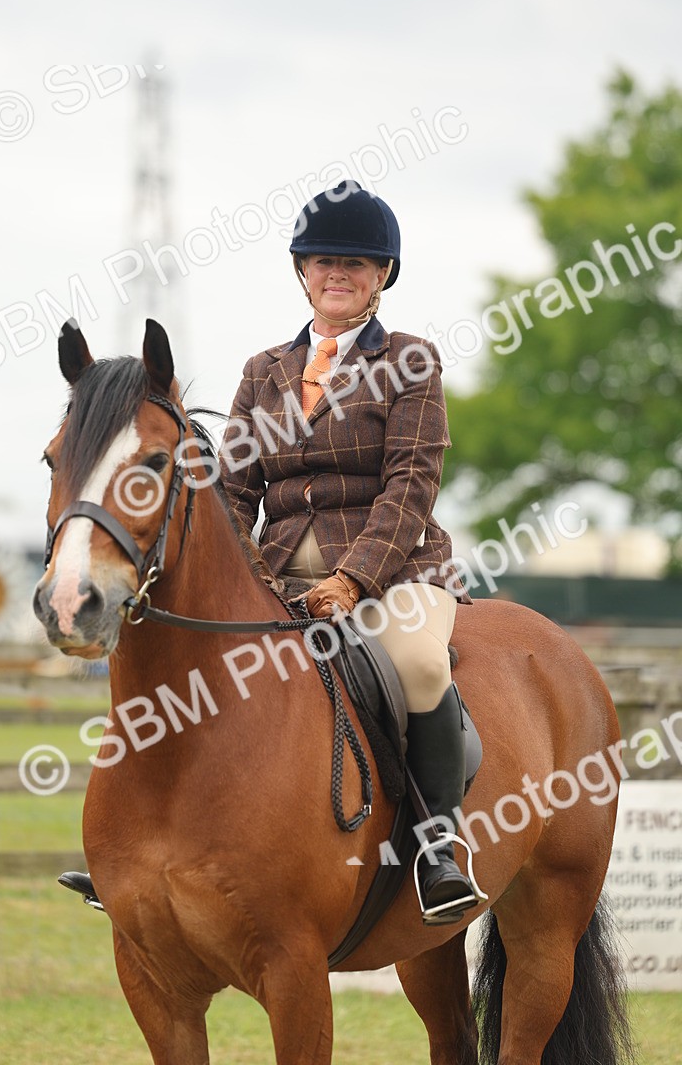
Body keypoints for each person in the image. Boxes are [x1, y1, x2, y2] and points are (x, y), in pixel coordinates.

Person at [219, 179, 481, 925]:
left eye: (357, 264)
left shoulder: (411, 361)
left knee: (422, 664)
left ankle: (436, 850)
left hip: (394, 566)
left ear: (382, 276)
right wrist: (247, 577)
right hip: (276, 572)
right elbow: (234, 490)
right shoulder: (262, 371)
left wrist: (354, 580)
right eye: (324, 260)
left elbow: (411, 482)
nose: (339, 274)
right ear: (302, 271)